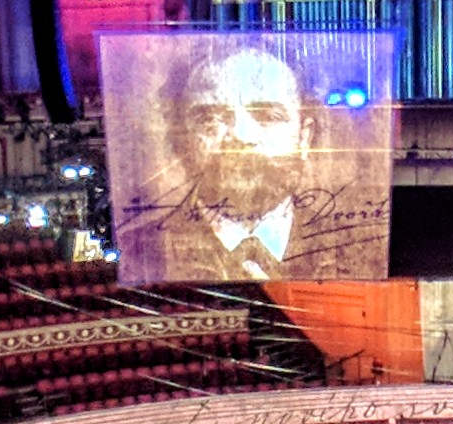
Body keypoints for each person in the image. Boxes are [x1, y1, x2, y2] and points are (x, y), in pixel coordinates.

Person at [110, 37, 390, 281]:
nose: (242, 136)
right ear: (183, 139)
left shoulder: (361, 247)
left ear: (304, 137)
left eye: (268, 117)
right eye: (211, 118)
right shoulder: (140, 253)